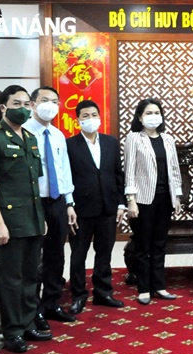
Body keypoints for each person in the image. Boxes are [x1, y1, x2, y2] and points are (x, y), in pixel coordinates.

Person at [0, 85, 52, 353]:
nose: (23, 108)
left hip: (31, 218)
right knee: (12, 278)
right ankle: (13, 330)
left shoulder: (29, 138)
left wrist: (40, 217)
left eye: (26, 104)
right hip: (8, 221)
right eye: (16, 104)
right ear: (3, 107)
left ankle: (29, 321)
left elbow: (33, 184)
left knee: (32, 276)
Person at [23, 86, 77, 329]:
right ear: (33, 104)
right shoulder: (22, 132)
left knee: (56, 254)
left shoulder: (57, 135)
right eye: (45, 100)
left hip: (57, 201)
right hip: (32, 203)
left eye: (55, 101)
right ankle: (32, 311)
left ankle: (52, 303)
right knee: (34, 258)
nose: (50, 105)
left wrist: (69, 203)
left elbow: (64, 171)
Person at [66, 100, 126, 314]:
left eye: (94, 114)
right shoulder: (69, 144)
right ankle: (78, 296)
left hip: (108, 207)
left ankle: (103, 293)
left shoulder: (111, 142)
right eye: (85, 116)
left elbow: (118, 174)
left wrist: (121, 203)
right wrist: (69, 204)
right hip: (81, 209)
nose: (90, 119)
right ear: (78, 120)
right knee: (78, 254)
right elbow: (66, 177)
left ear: (100, 117)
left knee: (104, 253)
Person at [124, 98, 183, 305]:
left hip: (164, 198)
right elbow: (129, 170)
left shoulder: (167, 139)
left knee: (159, 244)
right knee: (143, 245)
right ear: (140, 117)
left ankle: (159, 285)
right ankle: (143, 288)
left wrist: (176, 196)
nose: (153, 116)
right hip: (142, 200)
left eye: (156, 112)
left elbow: (174, 170)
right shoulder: (133, 138)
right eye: (148, 113)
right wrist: (131, 200)